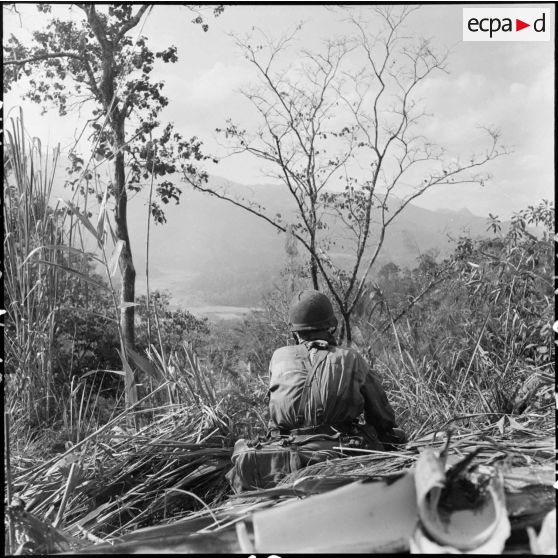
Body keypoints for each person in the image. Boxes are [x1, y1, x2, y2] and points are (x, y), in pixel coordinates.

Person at [267, 289, 406, 450]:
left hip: (291, 447)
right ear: (330, 326)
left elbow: (274, 414)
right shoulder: (351, 358)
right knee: (399, 435)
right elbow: (382, 419)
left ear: (295, 331)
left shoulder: (278, 357)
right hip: (341, 447)